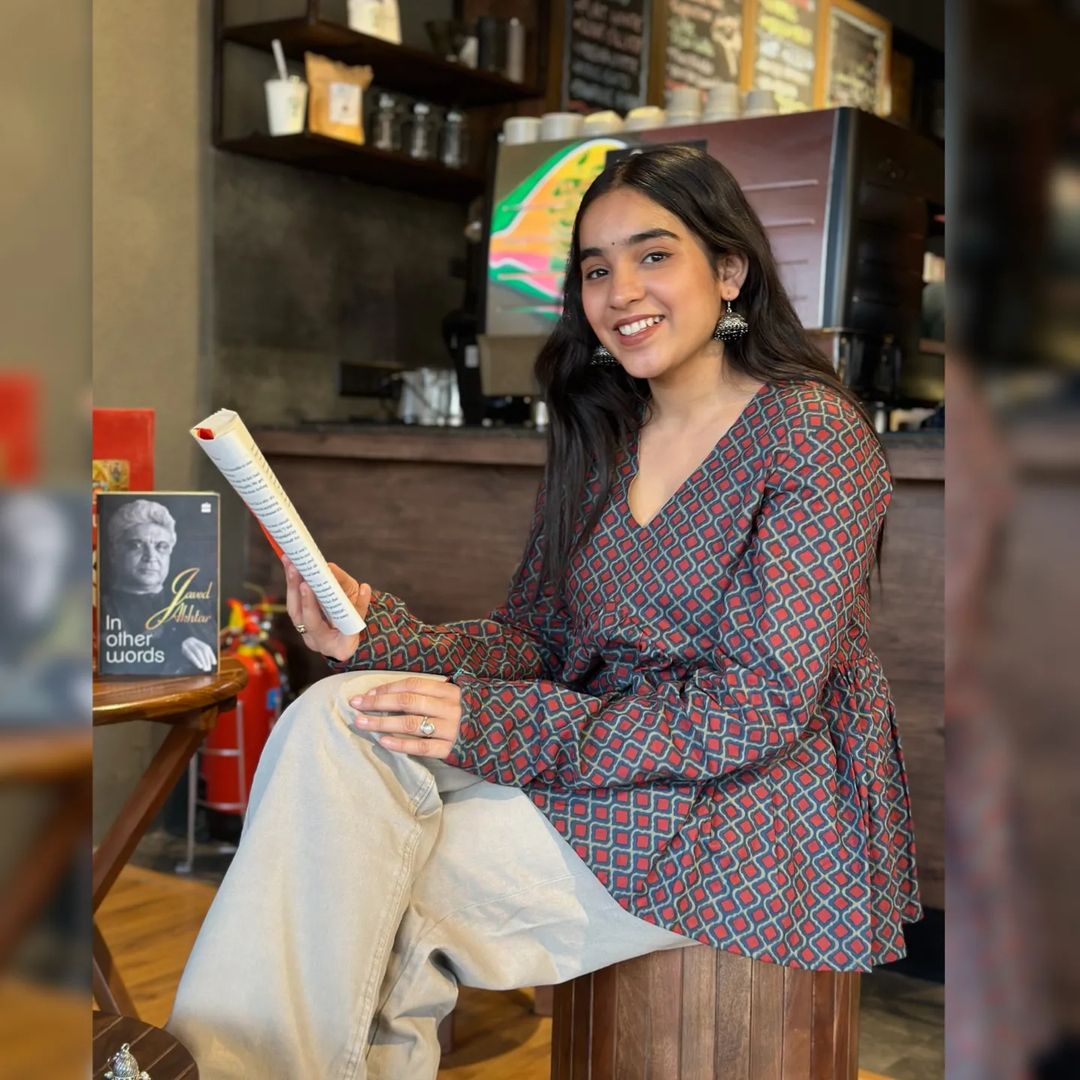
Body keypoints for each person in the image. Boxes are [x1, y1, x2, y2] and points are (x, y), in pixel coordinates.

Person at [168, 146, 921, 1078]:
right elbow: (536, 638)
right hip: (601, 756)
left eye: (654, 255)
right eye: (596, 269)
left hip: (753, 801)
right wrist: (376, 634)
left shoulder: (811, 433)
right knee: (334, 714)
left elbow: (756, 708)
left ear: (730, 271)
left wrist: (496, 722)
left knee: (386, 899)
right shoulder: (606, 432)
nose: (620, 291)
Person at [100, 498, 216, 674]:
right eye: (136, 545)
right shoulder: (101, 607)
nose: (151, 556)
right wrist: (173, 648)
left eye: (161, 547)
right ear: (114, 553)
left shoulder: (193, 604)